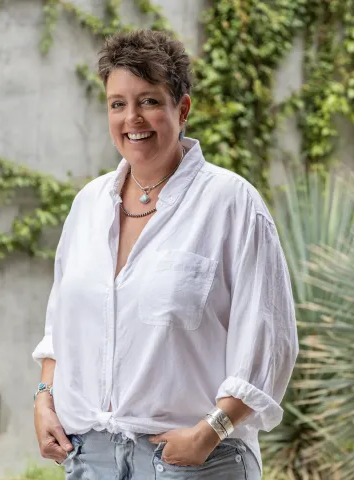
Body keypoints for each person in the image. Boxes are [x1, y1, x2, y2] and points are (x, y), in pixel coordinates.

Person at [33, 29, 298, 480]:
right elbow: (61, 327)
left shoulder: (231, 203)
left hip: (194, 461)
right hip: (89, 458)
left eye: (149, 101)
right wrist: (43, 398)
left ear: (183, 108)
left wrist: (208, 432)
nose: (132, 118)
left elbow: (270, 341)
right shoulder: (88, 205)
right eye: (118, 103)